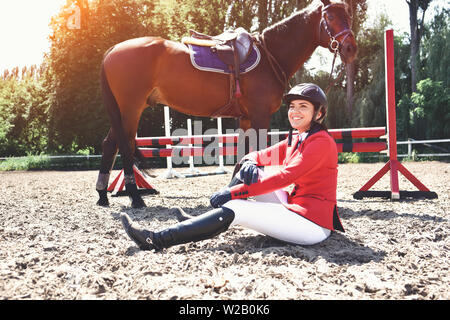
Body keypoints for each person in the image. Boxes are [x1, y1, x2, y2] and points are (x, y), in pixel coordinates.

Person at [120, 83, 344, 251]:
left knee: (238, 207)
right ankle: (201, 222)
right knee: (250, 170)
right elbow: (264, 154)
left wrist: (233, 192)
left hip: (311, 225)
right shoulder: (300, 136)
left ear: (319, 113)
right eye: (292, 106)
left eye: (303, 106)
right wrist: (249, 160)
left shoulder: (321, 141)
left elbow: (284, 177)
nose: (294, 111)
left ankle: (156, 239)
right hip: (296, 207)